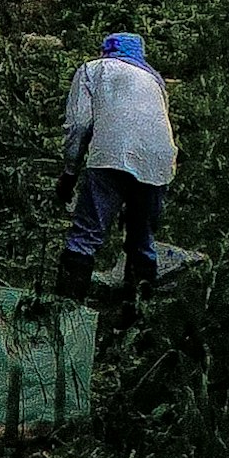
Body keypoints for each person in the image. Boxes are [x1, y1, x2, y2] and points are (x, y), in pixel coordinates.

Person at [59, 24, 177, 304]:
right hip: (158, 162)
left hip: (111, 155)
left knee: (86, 235)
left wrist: (69, 173)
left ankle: (66, 309)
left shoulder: (93, 70)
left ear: (105, 51)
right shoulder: (155, 80)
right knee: (142, 237)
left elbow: (78, 125)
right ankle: (139, 313)